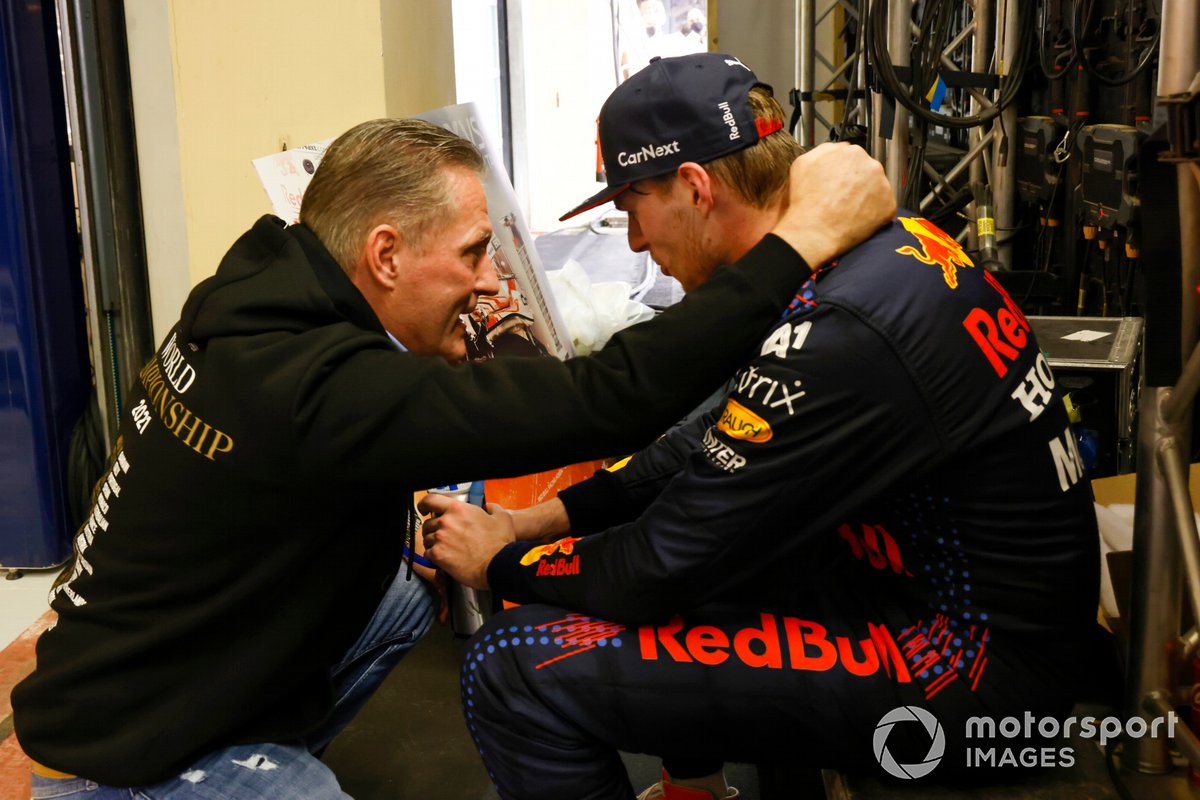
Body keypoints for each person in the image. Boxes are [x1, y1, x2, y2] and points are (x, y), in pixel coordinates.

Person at [11, 113, 894, 798]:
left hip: (128, 663)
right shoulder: (325, 390)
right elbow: (611, 401)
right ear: (385, 254)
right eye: (473, 253)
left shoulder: (255, 294)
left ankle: (258, 737)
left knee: (399, 597)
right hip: (124, 756)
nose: (487, 280)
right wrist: (799, 241)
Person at [422, 52, 1100, 800]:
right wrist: (536, 523)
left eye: (632, 209)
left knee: (512, 663)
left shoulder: (843, 326)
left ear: (695, 187)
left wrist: (498, 565)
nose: (638, 242)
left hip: (975, 680)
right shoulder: (870, 248)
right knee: (714, 543)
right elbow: (710, 439)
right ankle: (697, 791)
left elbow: (653, 567)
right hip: (932, 606)